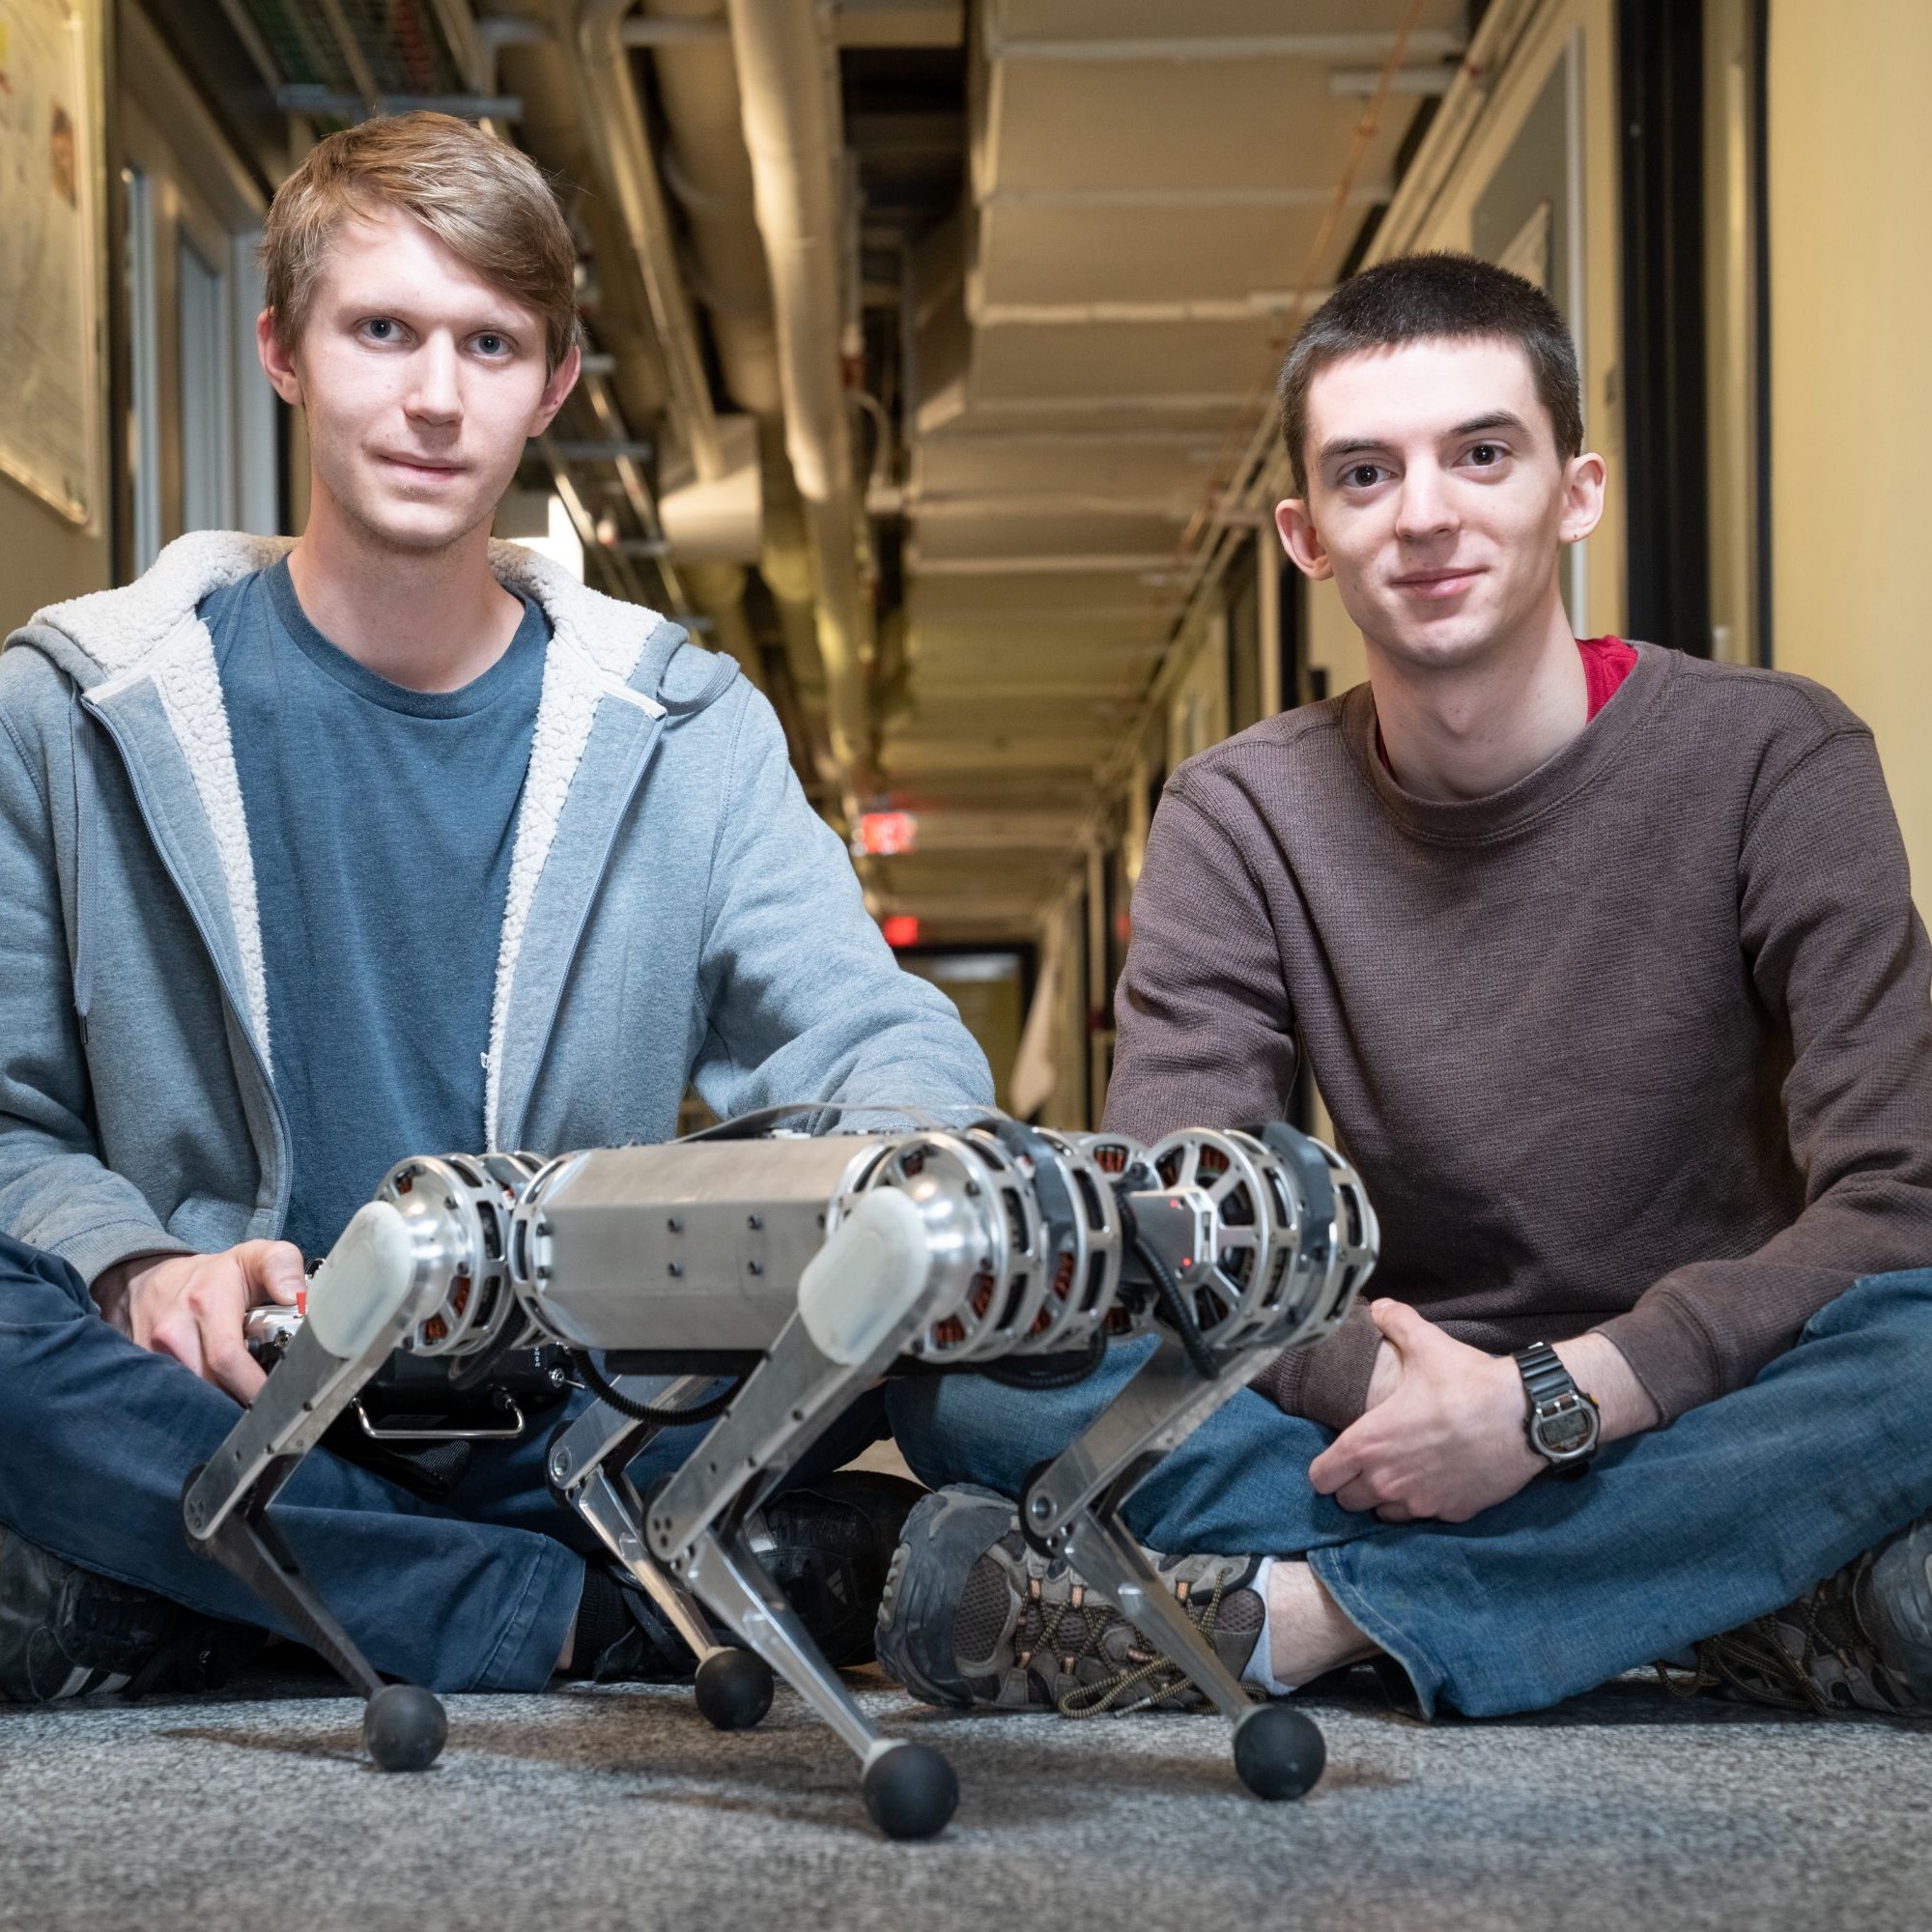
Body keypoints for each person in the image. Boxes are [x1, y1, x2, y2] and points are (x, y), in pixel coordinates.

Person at [0, 113, 990, 1705]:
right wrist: (133, 1268)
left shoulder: (680, 723)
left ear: (555, 385)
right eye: (381, 330)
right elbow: (8, 1123)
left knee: (938, 1330)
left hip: (561, 1412)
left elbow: (877, 1042)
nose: (436, 396)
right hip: (219, 1390)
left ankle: (223, 1599)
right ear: (283, 350)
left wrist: (863, 1195)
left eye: (491, 342)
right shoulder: (73, 708)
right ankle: (567, 1622)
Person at [876, 252, 1932, 1723]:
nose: (1426, 512)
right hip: (1386, 1403)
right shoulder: (1240, 815)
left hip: (1702, 1390)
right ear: (1307, 536)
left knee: (1923, 1335)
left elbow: (1898, 1202)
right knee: (963, 1375)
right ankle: (1736, 1591)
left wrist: (1547, 1410)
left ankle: (1308, 1621)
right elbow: (1187, 1223)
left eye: (1481, 453)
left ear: (1577, 489)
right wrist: (1411, 1405)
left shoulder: (1778, 759)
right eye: (1367, 474)